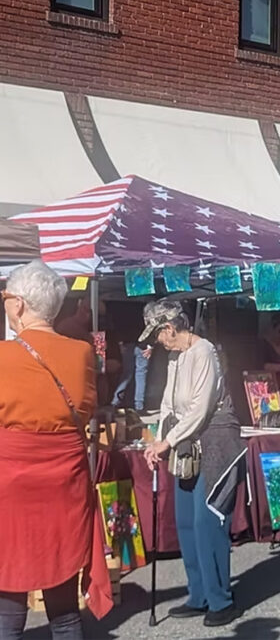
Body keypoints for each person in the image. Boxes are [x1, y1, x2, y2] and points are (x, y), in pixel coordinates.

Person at [0, 261, 113, 639]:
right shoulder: (82, 353)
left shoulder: (2, 358)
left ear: (17, 304)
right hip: (64, 485)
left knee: (8, 598)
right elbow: (85, 409)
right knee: (63, 604)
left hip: (11, 487)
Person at [141, 300, 245, 628]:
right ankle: (198, 594)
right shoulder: (175, 355)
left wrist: (167, 442)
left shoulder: (205, 352)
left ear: (169, 328)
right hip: (186, 441)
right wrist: (159, 439)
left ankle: (220, 599)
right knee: (185, 521)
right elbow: (169, 404)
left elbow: (200, 409)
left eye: (157, 334)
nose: (157, 341)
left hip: (215, 440)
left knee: (207, 521)